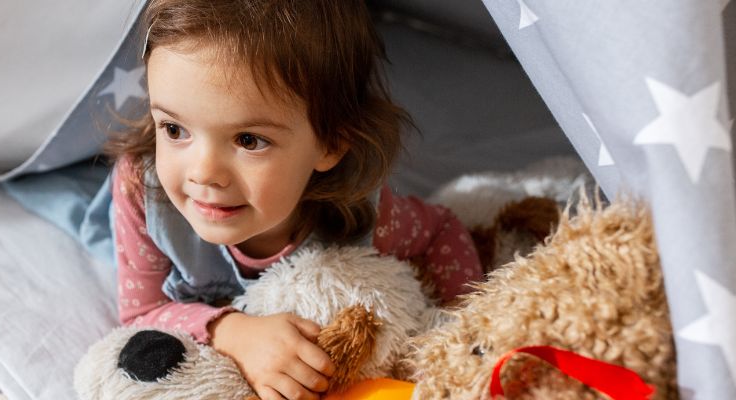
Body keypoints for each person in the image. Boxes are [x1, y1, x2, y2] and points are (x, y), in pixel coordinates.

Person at [104, 1, 482, 399]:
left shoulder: (364, 213)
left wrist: (465, 328)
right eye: (174, 129)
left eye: (248, 140)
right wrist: (232, 331)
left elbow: (441, 229)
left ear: (330, 142)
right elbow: (141, 314)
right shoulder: (143, 193)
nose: (203, 172)